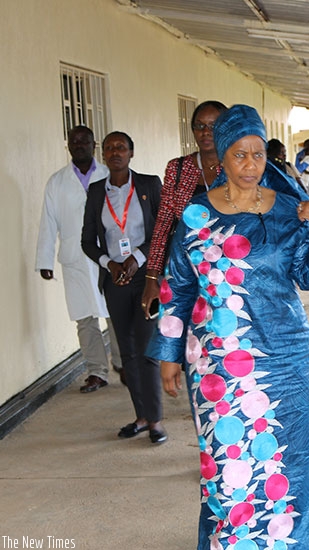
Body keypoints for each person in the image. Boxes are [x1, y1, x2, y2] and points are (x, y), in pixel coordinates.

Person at [148, 104, 309, 550]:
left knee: (295, 464)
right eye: (240, 154)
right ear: (222, 156)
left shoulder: (289, 209)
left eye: (258, 154)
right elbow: (178, 286)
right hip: (221, 366)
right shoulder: (196, 215)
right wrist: (168, 355)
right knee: (230, 467)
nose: (251, 165)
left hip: (288, 361)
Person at [80, 131, 166, 443]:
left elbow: (163, 231)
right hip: (115, 280)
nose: (115, 152)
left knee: (146, 349)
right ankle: (141, 417)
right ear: (103, 154)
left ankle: (156, 421)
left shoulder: (149, 185)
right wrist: (110, 264)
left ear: (131, 153)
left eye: (121, 147)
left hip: (147, 278)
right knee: (127, 352)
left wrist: (137, 259)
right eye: (109, 148)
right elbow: (87, 241)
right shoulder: (95, 192)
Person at [36, 125, 121, 393]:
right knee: (84, 317)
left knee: (115, 312)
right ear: (69, 146)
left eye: (84, 141)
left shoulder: (109, 175)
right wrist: (45, 260)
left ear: (93, 145)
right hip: (74, 257)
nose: (79, 145)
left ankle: (124, 364)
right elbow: (48, 222)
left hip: (108, 256)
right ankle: (96, 371)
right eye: (74, 141)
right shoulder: (57, 182)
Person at [141, 100, 228, 318]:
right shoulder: (178, 168)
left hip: (228, 268)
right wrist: (152, 278)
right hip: (186, 268)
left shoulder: (237, 168)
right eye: (199, 126)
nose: (205, 132)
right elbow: (163, 225)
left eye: (213, 126)